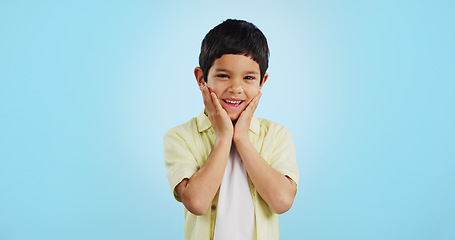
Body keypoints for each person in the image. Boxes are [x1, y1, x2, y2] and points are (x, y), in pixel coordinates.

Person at [163, 19, 299, 240]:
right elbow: (197, 202)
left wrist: (242, 138)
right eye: (223, 75)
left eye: (248, 78)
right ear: (201, 78)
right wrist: (224, 136)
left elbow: (282, 201)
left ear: (262, 82)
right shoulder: (180, 136)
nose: (236, 88)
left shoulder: (276, 135)